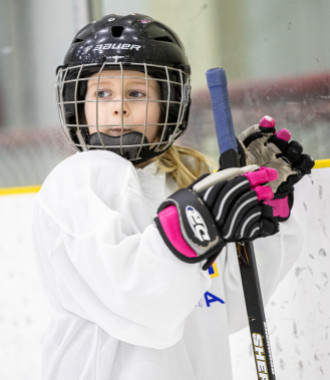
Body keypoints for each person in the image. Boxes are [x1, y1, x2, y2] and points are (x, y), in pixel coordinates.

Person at [33, 13, 314, 380]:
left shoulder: (185, 183)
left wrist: (265, 217)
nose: (118, 107)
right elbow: (143, 305)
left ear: (169, 103)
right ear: (78, 106)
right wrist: (193, 228)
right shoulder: (79, 181)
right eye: (102, 93)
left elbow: (220, 306)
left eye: (136, 93)